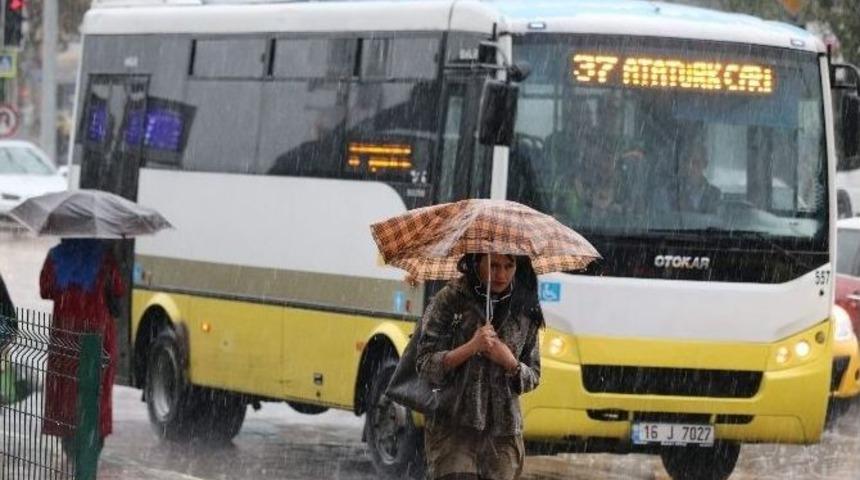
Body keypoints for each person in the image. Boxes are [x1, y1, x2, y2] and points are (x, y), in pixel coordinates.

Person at [416, 253, 543, 480]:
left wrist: (509, 362)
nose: (501, 274)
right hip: (454, 429)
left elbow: (533, 375)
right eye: (493, 265)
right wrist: (470, 347)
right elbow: (424, 363)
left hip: (503, 435)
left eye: (508, 265)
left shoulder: (524, 307)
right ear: (477, 263)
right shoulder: (451, 299)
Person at [40, 238, 125, 458]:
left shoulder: (55, 255)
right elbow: (118, 292)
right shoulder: (105, 258)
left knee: (65, 389)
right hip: (98, 336)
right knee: (97, 389)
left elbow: (45, 290)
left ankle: (69, 440)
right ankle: (93, 441)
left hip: (65, 335)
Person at [656, 140, 721, 214]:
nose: (690, 166)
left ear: (705, 164)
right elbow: (663, 219)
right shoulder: (670, 191)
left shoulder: (714, 194)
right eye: (687, 160)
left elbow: (715, 221)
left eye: (695, 162)